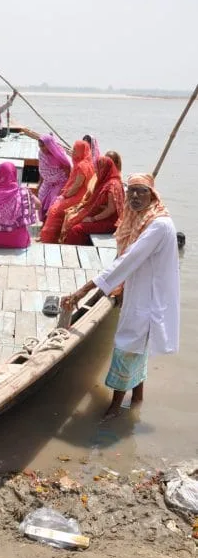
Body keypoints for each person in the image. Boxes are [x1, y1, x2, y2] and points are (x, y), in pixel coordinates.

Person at [62, 173, 179, 418]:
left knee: (126, 346)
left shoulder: (158, 224)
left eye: (141, 191)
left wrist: (85, 288)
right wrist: (120, 286)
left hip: (148, 298)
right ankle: (137, 398)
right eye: (131, 191)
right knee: (137, 348)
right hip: (138, 290)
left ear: (152, 195)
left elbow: (129, 259)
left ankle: (115, 407)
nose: (135, 196)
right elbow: (127, 258)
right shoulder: (141, 219)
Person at [39, 139, 94, 243]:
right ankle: (50, 236)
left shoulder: (82, 166)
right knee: (55, 205)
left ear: (82, 151)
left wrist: (64, 196)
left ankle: (49, 238)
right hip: (78, 194)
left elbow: (77, 186)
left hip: (79, 196)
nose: (72, 151)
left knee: (54, 209)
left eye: (75, 150)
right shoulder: (85, 163)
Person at [61, 155, 125, 244]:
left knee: (76, 229)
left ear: (105, 169)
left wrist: (92, 219)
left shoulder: (112, 185)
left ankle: (72, 251)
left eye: (98, 168)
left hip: (111, 222)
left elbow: (111, 210)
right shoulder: (106, 181)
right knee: (72, 217)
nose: (96, 171)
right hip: (103, 216)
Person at [0, 161, 37, 249]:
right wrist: (29, 195)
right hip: (20, 241)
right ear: (14, 174)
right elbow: (38, 205)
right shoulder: (23, 192)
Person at [37, 134, 72, 221]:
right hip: (47, 181)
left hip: (59, 182)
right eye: (40, 146)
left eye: (43, 146)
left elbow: (68, 170)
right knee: (40, 199)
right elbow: (42, 170)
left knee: (53, 204)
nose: (41, 148)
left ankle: (48, 223)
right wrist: (39, 183)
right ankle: (43, 220)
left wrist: (67, 188)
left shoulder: (59, 155)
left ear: (49, 145)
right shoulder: (41, 154)